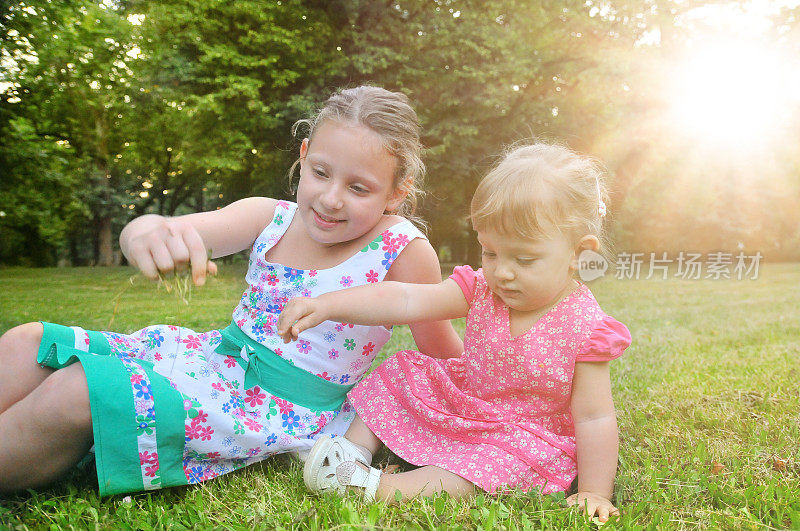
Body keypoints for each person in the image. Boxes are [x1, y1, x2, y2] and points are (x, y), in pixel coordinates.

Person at [0, 86, 463, 496]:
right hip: (209, 360)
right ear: (303, 155)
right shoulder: (271, 215)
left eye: (359, 187)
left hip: (269, 408)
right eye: (321, 172)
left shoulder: (401, 249)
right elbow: (174, 228)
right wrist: (143, 232)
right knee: (28, 343)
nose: (330, 198)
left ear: (397, 193)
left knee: (80, 389)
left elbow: (442, 355)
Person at [277, 142, 631, 522]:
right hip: (466, 399)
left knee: (490, 467)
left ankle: (378, 488)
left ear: (579, 253)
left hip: (522, 433)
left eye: (524, 259)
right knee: (404, 369)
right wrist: (330, 303)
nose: (503, 272)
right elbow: (405, 299)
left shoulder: (586, 328)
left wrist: (594, 490)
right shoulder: (482, 288)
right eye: (490, 253)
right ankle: (349, 452)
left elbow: (594, 417)